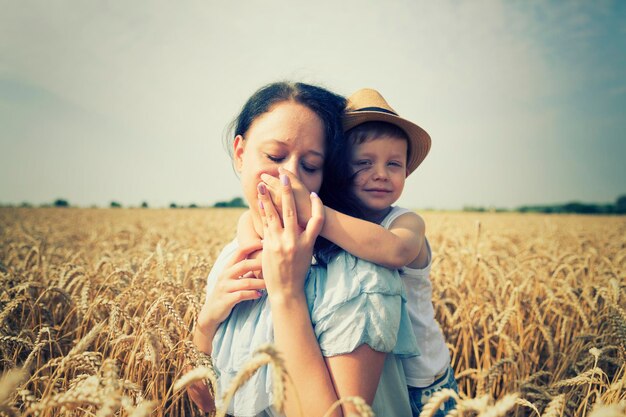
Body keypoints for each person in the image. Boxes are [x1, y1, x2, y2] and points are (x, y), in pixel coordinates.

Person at [188, 81, 419, 417]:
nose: (289, 178)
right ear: (240, 154)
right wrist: (206, 325)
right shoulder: (231, 260)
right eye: (275, 156)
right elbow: (208, 403)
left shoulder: (359, 275)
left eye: (310, 166)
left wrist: (286, 295)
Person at [252, 88, 458, 417]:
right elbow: (252, 224)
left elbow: (392, 250)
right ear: (338, 170)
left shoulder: (405, 222)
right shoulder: (342, 221)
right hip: (381, 380)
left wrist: (311, 208)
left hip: (426, 386)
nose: (381, 173)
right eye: (364, 163)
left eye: (394, 164)